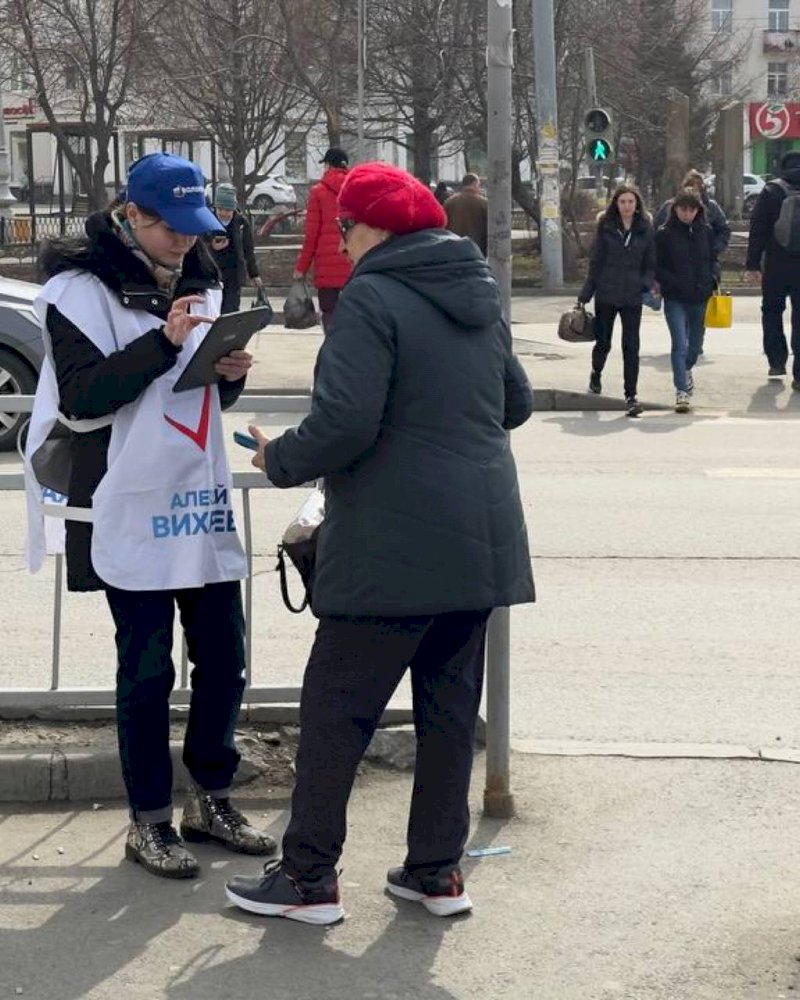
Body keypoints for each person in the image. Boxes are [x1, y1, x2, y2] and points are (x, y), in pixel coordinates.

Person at [224, 161, 535, 925]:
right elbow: (516, 403)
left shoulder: (372, 297)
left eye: (348, 228)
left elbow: (347, 422)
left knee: (336, 712)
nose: (343, 243)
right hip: (480, 542)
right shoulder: (477, 291)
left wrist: (277, 457)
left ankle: (306, 881)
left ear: (378, 229)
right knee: (448, 716)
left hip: (392, 546)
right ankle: (436, 874)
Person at [24, 153, 275, 879]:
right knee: (146, 668)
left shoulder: (203, 277)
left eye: (195, 230)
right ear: (132, 216)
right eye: (172, 229)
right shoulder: (77, 291)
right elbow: (83, 399)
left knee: (225, 659)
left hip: (197, 500)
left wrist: (225, 375)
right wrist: (163, 342)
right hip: (125, 504)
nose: (186, 243)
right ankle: (150, 818)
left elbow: (198, 404)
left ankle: (212, 797)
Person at [578, 184, 656, 417]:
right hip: (607, 293)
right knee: (604, 342)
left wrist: (644, 283)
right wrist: (586, 293)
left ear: (637, 204)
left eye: (631, 202)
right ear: (616, 204)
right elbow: (596, 261)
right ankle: (596, 373)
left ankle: (631, 396)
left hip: (632, 295)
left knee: (631, 346)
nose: (627, 206)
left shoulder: (645, 228)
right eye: (622, 202)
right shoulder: (606, 227)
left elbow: (651, 262)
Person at [653, 169, 730, 357]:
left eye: (696, 188)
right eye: (689, 188)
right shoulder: (670, 207)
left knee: (698, 313)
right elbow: (656, 232)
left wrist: (714, 249)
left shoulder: (710, 207)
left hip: (701, 270)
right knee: (679, 313)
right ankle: (682, 344)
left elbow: (723, 230)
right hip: (676, 271)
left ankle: (695, 344)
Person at [655, 190, 716, 413]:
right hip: (675, 298)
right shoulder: (664, 234)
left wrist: (712, 278)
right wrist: (672, 282)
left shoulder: (705, 232)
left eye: (692, 209)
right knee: (679, 344)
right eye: (683, 209)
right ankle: (681, 391)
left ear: (698, 210)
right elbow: (657, 265)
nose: (687, 214)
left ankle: (686, 369)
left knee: (695, 346)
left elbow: (712, 260)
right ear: (676, 210)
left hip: (700, 296)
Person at [745, 150, 800, 387]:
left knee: (771, 311)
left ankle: (777, 360)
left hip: (776, 264)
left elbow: (758, 230)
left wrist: (753, 264)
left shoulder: (771, 191)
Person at [292, 146, 352, 332]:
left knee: (330, 315)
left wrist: (301, 268)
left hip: (326, 271)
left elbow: (312, 236)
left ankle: (334, 353)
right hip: (353, 265)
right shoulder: (354, 188)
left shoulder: (318, 192)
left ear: (327, 165)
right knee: (353, 314)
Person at [206, 183, 263, 314]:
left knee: (231, 309)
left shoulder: (241, 223)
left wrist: (254, 274)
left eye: (227, 210)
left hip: (234, 273)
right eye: (220, 209)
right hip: (213, 272)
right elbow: (199, 245)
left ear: (233, 208)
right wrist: (212, 246)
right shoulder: (208, 221)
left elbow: (248, 250)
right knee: (214, 310)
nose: (223, 213)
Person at [444, 172, 488, 255]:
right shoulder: (483, 203)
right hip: (475, 247)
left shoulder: (449, 202)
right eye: (479, 184)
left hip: (453, 246)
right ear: (475, 183)